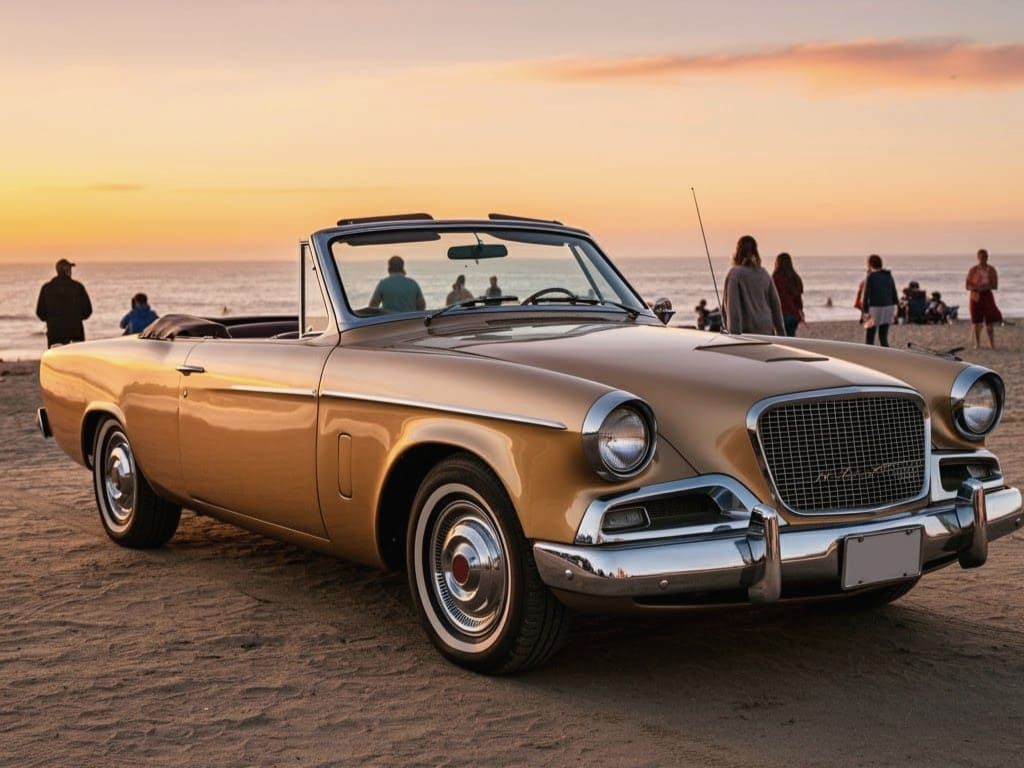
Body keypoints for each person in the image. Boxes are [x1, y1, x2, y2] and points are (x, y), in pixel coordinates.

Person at [722, 235, 784, 335]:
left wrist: (733, 334)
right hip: (766, 327)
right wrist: (781, 333)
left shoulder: (734, 274)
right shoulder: (764, 273)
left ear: (738, 252)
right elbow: (775, 305)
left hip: (747, 331)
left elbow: (732, 307)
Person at [35, 258, 92, 347]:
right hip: (75, 333)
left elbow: (40, 312)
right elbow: (88, 311)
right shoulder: (78, 287)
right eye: (70, 269)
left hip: (55, 333)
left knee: (57, 359)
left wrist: (52, 320)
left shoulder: (47, 288)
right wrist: (76, 318)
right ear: (67, 271)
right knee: (75, 358)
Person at [966, 248, 1001, 349]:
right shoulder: (973, 270)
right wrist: (976, 288)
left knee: (989, 321)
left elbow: (995, 285)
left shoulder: (991, 270)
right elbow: (967, 285)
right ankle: (978, 344)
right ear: (978, 257)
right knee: (976, 321)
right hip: (975, 296)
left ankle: (992, 343)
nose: (983, 259)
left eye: (985, 257)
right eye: (981, 257)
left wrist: (986, 287)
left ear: (987, 257)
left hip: (987, 295)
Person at [860, 254, 898, 347]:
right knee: (883, 336)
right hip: (888, 307)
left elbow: (866, 295)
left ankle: (869, 356)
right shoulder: (888, 275)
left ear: (870, 264)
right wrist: (896, 305)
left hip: (875, 309)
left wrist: (864, 311)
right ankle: (887, 356)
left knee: (870, 336)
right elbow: (894, 291)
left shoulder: (871, 276)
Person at [771, 252, 804, 337]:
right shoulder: (795, 278)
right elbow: (798, 300)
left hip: (781, 314)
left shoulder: (775, 278)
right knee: (791, 338)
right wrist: (800, 313)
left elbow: (771, 298)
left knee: (781, 340)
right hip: (794, 315)